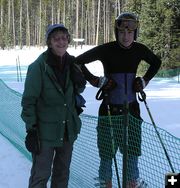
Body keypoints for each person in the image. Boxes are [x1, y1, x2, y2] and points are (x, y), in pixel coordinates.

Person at [76, 12, 161, 188]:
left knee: (132, 151)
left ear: (135, 34)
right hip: (109, 109)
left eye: (130, 33)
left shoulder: (139, 50)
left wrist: (144, 80)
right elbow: (77, 62)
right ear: (117, 32)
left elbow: (156, 62)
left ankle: (132, 182)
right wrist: (96, 80)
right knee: (107, 152)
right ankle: (105, 182)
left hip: (132, 110)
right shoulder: (106, 49)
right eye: (122, 32)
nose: (126, 36)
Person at [21, 24, 86, 188]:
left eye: (64, 38)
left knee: (62, 174)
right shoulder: (38, 67)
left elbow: (76, 91)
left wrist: (80, 82)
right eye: (56, 38)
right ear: (49, 42)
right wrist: (31, 130)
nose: (61, 42)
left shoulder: (72, 63)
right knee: (41, 175)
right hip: (44, 134)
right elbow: (29, 101)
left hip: (67, 130)